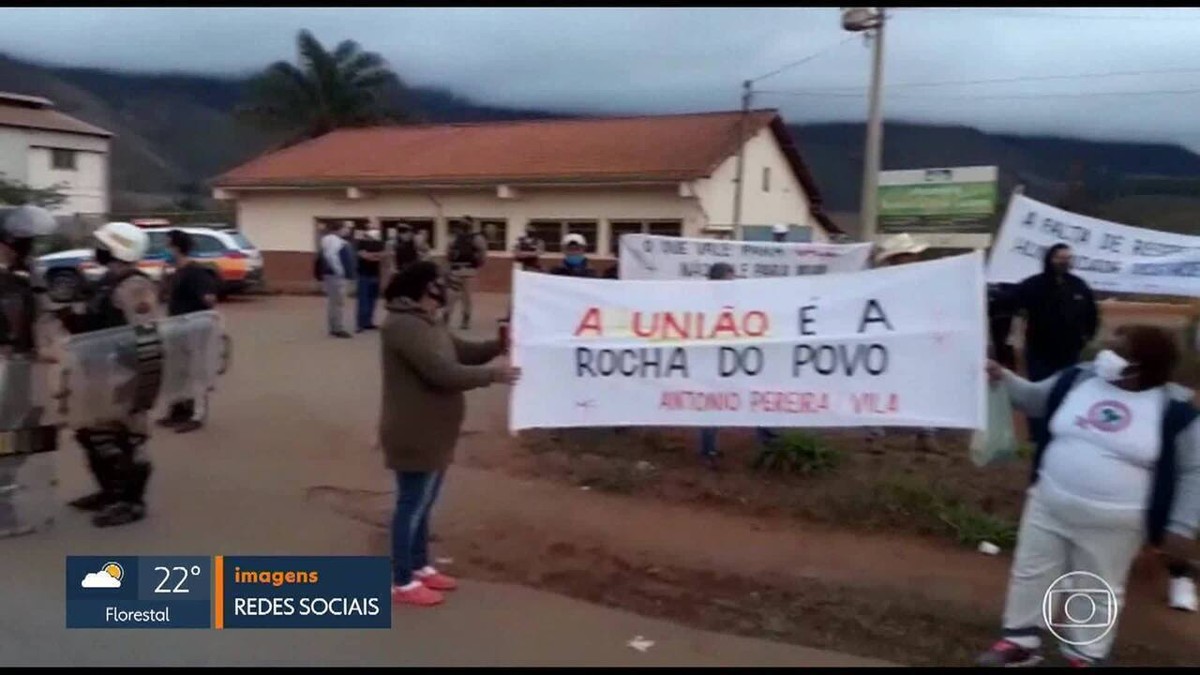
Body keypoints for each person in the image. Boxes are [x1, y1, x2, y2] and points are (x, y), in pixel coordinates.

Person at [977, 324, 1200, 667]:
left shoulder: (1174, 410)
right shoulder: (1080, 378)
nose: (1105, 354)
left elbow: (1193, 471)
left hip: (1116, 521)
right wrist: (1003, 376)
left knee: (1096, 587)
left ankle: (1085, 655)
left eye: (1119, 350)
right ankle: (1020, 640)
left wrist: (1181, 526)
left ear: (1143, 365)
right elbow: (1034, 399)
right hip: (1048, 502)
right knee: (1031, 570)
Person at [379, 260, 520, 606]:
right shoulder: (403, 327)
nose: (445, 287)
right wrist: (494, 375)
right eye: (438, 283)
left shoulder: (429, 323)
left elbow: (462, 352)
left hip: (437, 430)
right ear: (424, 288)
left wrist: (498, 345)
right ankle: (400, 581)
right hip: (415, 431)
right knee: (411, 506)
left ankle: (420, 565)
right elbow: (443, 373)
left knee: (424, 504)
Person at [58, 221, 163, 528]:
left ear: (115, 248)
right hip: (98, 371)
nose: (97, 248)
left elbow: (144, 336)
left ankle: (131, 501)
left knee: (124, 438)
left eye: (102, 244)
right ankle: (108, 492)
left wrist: (141, 386)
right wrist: (68, 316)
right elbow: (95, 325)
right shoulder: (107, 281)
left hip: (125, 374)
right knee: (88, 433)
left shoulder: (136, 286)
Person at [0, 205, 60, 539]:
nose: (28, 247)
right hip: (9, 367)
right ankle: (3, 510)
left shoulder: (27, 275)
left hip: (26, 367)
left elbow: (43, 313)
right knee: (7, 433)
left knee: (25, 429)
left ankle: (8, 490)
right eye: (23, 241)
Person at [1002, 243, 1099, 446]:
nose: (1064, 261)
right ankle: (1037, 437)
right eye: (1059, 257)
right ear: (1049, 259)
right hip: (1040, 350)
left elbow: (1092, 314)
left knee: (1067, 391)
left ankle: (1061, 431)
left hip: (1070, 352)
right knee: (1036, 394)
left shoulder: (1079, 286)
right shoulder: (1033, 285)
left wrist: (1087, 337)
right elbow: (1009, 301)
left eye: (1068, 258)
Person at [697, 262, 777, 467]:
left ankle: (769, 440)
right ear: (716, 281)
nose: (732, 284)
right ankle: (708, 450)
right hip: (714, 363)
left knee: (755, 396)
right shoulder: (703, 303)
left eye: (733, 280)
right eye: (728, 279)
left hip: (738, 360)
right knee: (714, 404)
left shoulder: (736, 302)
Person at [866, 233, 939, 453]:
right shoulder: (879, 283)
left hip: (915, 341)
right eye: (906, 255)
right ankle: (875, 435)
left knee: (922, 385)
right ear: (895, 258)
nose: (911, 259)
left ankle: (926, 433)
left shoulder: (925, 280)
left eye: (911, 255)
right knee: (879, 387)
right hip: (886, 342)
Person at [157, 229, 218, 434]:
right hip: (176, 328)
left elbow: (209, 299)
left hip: (193, 329)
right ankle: (178, 410)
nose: (165, 249)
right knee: (178, 371)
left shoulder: (194, 272)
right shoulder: (175, 272)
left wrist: (203, 303)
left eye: (168, 245)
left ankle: (197, 414)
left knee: (196, 372)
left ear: (176, 247)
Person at [444, 217, 487, 330]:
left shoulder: (453, 238)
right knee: (466, 298)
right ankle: (465, 321)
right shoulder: (477, 238)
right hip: (469, 271)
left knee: (451, 296)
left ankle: (446, 317)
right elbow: (483, 254)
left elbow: (448, 255)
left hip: (456, 270)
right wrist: (478, 264)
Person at [318, 221, 356, 339]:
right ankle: (338, 328)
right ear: (339, 229)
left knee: (333, 302)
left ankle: (333, 327)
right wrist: (340, 271)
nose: (347, 230)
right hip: (335, 275)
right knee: (338, 302)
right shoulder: (334, 240)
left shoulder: (327, 239)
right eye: (345, 228)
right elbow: (331, 256)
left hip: (330, 274)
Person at [355, 228, 385, 332]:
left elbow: (382, 256)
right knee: (363, 300)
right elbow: (363, 255)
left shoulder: (379, 243)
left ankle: (368, 322)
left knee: (372, 300)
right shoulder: (361, 243)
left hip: (375, 275)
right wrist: (374, 256)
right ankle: (360, 324)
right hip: (363, 275)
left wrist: (370, 256)